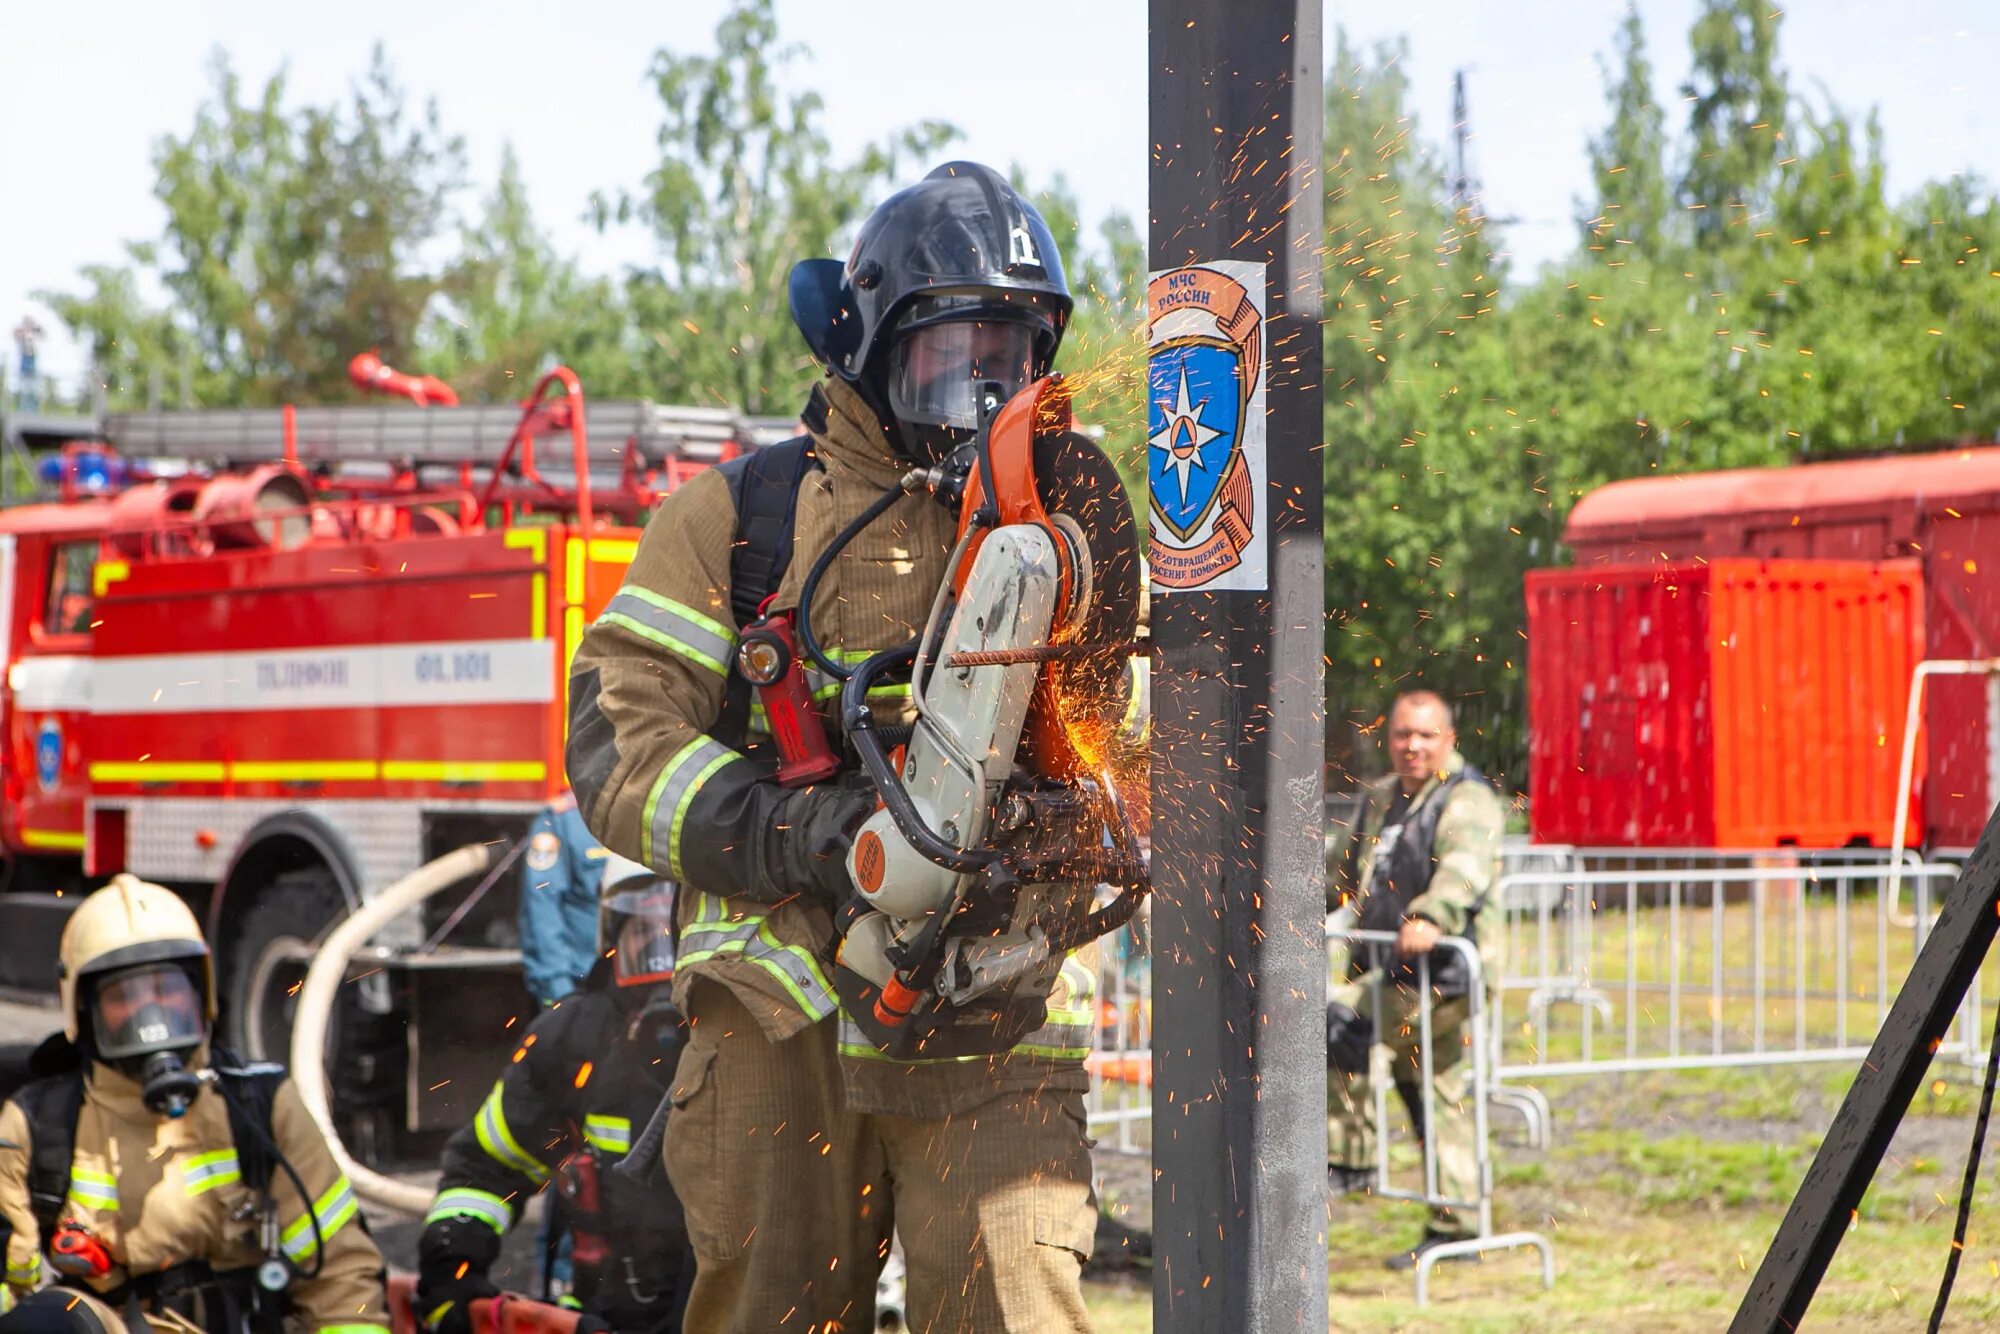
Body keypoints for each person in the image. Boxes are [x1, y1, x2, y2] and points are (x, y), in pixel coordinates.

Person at [566, 160, 1132, 1331]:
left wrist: (1108, 810)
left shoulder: (1068, 520)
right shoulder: (738, 523)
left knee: (1016, 1309)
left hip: (995, 1021)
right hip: (781, 1027)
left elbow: (1142, 720)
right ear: (870, 345)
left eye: (1010, 355)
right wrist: (796, 829)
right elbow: (614, 743)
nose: (982, 389)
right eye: (950, 352)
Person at [0, 875, 389, 1334]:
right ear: (83, 1009)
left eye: (167, 992)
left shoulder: (260, 1105)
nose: (151, 1016)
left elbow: (341, 1279)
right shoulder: (37, 1126)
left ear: (200, 996)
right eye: (124, 997)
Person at [415, 856, 692, 1334]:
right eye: (644, 935)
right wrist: (451, 1273)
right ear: (612, 943)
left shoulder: (756, 1043)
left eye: (680, 932)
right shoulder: (573, 1040)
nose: (664, 961)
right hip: (606, 1312)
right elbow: (488, 1165)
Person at [1325, 689, 1506, 1270]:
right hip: (1394, 972)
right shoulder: (1379, 800)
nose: (1412, 746)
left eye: (1426, 735)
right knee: (1436, 1095)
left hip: (1443, 978)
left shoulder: (1468, 799)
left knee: (1337, 1017)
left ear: (1448, 740)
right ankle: (1456, 1228)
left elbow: (1465, 866)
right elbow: (1336, 872)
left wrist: (1433, 914)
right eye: (1403, 734)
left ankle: (1350, 1158)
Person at [521, 790, 613, 1007]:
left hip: (638, 980)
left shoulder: (645, 814)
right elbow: (541, 907)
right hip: (581, 985)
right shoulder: (561, 820)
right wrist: (560, 992)